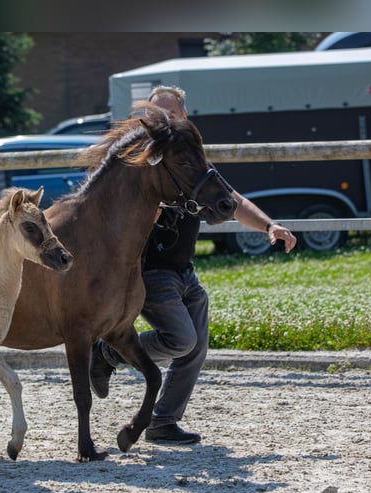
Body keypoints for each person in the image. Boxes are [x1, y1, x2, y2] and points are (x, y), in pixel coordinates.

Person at [89, 85, 298, 444]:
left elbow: (231, 200)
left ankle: (162, 421)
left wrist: (269, 225)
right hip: (151, 271)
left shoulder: (192, 162)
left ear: (185, 117)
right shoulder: (141, 165)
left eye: (170, 115)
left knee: (196, 347)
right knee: (181, 339)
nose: (163, 122)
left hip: (185, 268)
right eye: (156, 116)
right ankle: (109, 351)